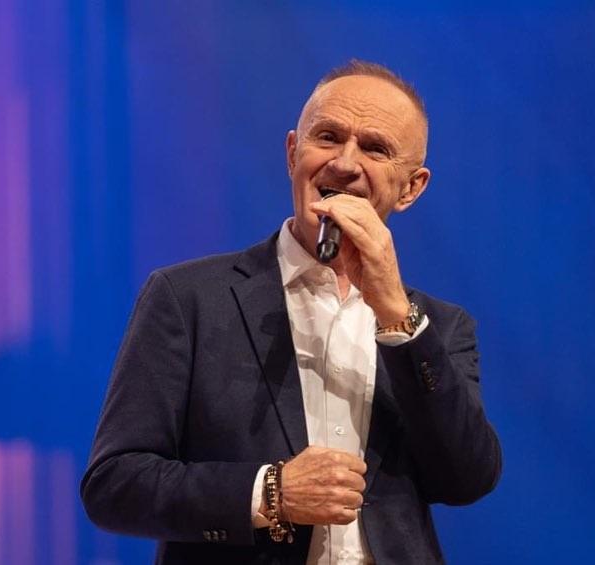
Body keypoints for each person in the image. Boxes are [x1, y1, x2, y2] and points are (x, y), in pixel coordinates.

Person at [81, 60, 502, 564]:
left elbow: (466, 478)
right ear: (292, 153)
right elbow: (114, 484)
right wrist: (270, 492)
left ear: (411, 187)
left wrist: (397, 316)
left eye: (375, 148)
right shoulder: (187, 298)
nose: (345, 163)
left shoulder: (440, 328)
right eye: (328, 137)